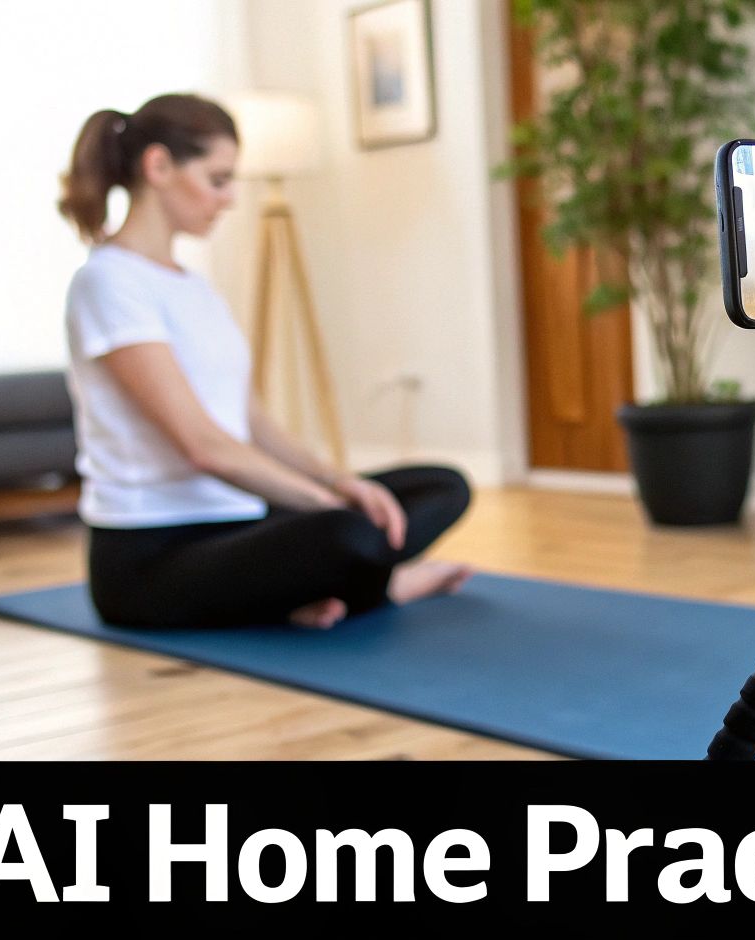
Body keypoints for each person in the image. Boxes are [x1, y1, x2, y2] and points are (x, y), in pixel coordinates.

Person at [57, 93, 472, 630]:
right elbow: (204, 447)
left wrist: (341, 482)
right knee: (348, 532)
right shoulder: (108, 282)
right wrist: (324, 504)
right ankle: (382, 585)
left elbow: (251, 422)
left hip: (239, 522)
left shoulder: (196, 289)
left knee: (439, 486)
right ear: (158, 166)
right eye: (218, 179)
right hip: (152, 557)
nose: (229, 198)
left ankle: (318, 589)